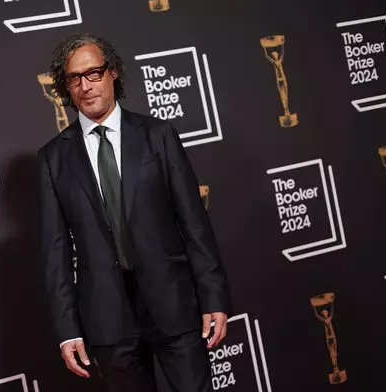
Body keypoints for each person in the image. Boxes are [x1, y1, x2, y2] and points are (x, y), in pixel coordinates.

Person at [37, 32, 233, 392]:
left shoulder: (158, 136)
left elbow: (194, 224)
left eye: (93, 73)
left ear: (113, 73)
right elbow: (55, 253)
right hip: (107, 319)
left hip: (173, 303)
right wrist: (67, 331)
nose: (85, 86)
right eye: (74, 78)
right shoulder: (53, 159)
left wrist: (214, 297)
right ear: (66, 88)